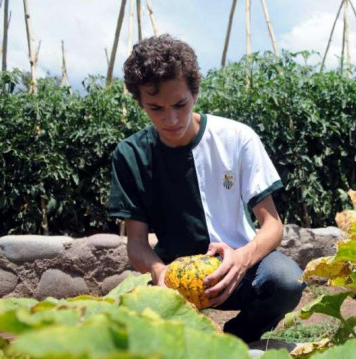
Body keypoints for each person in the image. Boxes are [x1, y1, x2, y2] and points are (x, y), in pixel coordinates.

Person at [107, 34, 304, 343]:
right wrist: (159, 273)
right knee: (141, 337)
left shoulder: (238, 138)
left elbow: (273, 225)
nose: (170, 119)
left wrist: (241, 259)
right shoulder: (130, 155)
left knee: (286, 281)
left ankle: (240, 338)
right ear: (140, 102)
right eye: (155, 108)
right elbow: (136, 244)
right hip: (173, 275)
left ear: (195, 94)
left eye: (180, 104)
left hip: (243, 265)